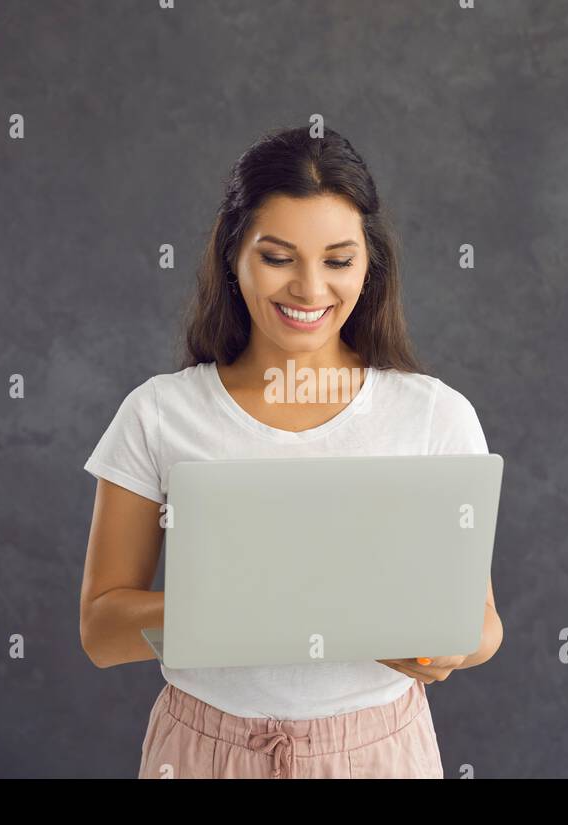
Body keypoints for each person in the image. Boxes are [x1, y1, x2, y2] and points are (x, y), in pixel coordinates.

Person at [78, 126, 502, 778]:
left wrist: (446, 648)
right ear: (232, 255)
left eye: (338, 260)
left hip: (379, 752)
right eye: (278, 257)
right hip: (204, 752)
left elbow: (482, 625)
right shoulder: (159, 413)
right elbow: (103, 632)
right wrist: (281, 609)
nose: (309, 290)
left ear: (370, 265)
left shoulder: (434, 415)